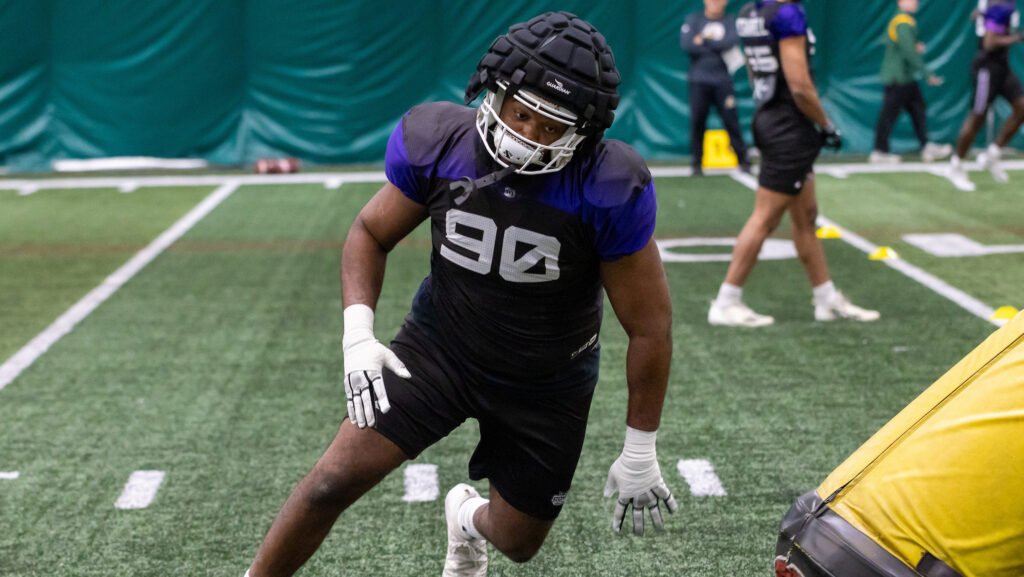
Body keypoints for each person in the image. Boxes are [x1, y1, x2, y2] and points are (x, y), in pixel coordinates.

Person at [243, 11, 678, 577]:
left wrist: (640, 445)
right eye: (522, 114)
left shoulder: (606, 187)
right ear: (492, 91)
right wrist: (357, 334)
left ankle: (466, 518)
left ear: (585, 132)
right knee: (330, 481)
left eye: (551, 127)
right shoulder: (443, 143)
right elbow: (370, 232)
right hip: (439, 350)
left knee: (517, 543)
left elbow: (649, 326)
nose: (529, 136)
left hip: (546, 381)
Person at [709, 0, 880, 327]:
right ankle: (726, 300)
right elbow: (800, 86)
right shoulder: (787, 13)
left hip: (772, 117)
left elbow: (753, 68)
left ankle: (825, 298)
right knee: (765, 218)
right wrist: (827, 125)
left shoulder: (750, 12)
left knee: (806, 216)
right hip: (789, 125)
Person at [948, 0, 1024, 191]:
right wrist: (1017, 38)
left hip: (1002, 67)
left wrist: (982, 15)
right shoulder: (1000, 7)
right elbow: (990, 42)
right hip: (987, 68)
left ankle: (993, 154)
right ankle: (956, 164)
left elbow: (978, 14)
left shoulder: (998, 5)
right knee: (977, 117)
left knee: (1022, 107)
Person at [869, 0, 952, 165]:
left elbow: (904, 46)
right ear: (901, 2)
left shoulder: (902, 20)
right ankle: (880, 151)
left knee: (917, 109)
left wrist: (915, 46)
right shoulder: (902, 21)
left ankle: (926, 145)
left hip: (905, 77)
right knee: (889, 114)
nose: (916, 2)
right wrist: (927, 73)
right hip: (898, 77)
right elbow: (909, 52)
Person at [681, 0, 753, 175]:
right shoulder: (693, 20)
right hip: (699, 81)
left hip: (722, 81)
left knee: (731, 121)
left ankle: (743, 160)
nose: (715, 2)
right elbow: (687, 45)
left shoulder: (730, 21)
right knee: (698, 121)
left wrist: (703, 40)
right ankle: (697, 163)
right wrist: (715, 44)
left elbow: (730, 42)